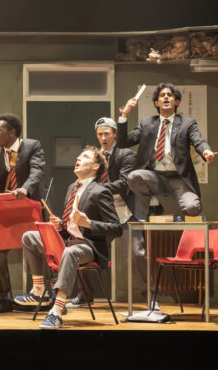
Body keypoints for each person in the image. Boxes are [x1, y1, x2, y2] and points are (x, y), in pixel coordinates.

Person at [14, 146, 122, 329]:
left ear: (96, 166)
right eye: (79, 156)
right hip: (68, 240)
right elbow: (70, 227)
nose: (78, 158)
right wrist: (61, 226)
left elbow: (116, 229)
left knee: (71, 252)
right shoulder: (72, 187)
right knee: (29, 236)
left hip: (89, 246)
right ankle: (39, 290)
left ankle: (56, 312)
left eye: (85, 156)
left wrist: (89, 223)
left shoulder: (100, 191)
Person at [67, 117, 139, 308]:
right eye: (100, 133)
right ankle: (85, 295)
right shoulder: (94, 156)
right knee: (87, 244)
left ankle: (147, 295)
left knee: (135, 252)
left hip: (123, 209)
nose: (103, 137)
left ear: (115, 134)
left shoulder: (125, 154)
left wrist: (98, 187)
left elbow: (125, 182)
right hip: (98, 209)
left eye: (107, 133)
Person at [118, 83, 216, 221]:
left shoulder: (187, 123)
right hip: (154, 177)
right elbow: (123, 142)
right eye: (162, 95)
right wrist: (125, 113)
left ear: (176, 102)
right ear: (157, 103)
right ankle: (153, 206)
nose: (166, 97)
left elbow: (198, 140)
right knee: (134, 176)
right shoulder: (147, 123)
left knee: (193, 208)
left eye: (170, 95)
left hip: (178, 178)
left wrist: (206, 151)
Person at [0, 113, 46, 314]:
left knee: (38, 250)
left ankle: (43, 296)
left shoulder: (32, 146)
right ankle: (3, 298)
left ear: (12, 133)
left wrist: (25, 189)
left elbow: (37, 172)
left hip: (30, 207)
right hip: (7, 211)